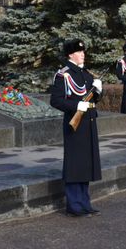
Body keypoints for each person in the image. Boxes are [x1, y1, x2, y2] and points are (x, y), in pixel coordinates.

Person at [50, 39, 103, 217]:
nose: (83, 54)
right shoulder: (63, 74)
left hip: (88, 122)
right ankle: (74, 205)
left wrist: (98, 92)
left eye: (83, 52)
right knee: (75, 164)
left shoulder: (85, 74)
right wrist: (75, 106)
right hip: (75, 124)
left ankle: (85, 202)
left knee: (86, 164)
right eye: (79, 52)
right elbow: (55, 100)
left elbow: (92, 99)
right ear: (71, 54)